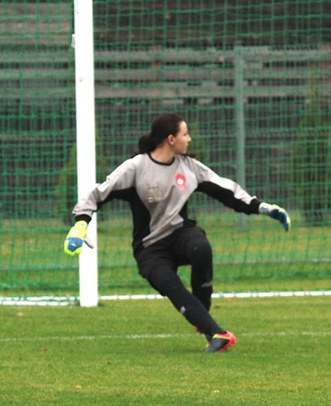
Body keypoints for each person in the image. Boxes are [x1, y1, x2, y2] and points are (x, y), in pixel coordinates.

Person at [64, 113, 291, 353]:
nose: (189, 139)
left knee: (201, 247)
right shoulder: (136, 167)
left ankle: (203, 314)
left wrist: (263, 208)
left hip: (180, 234)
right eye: (185, 134)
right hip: (150, 248)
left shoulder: (189, 167)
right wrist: (80, 225)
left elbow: (226, 190)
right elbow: (97, 194)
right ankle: (215, 333)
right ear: (171, 139)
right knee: (169, 284)